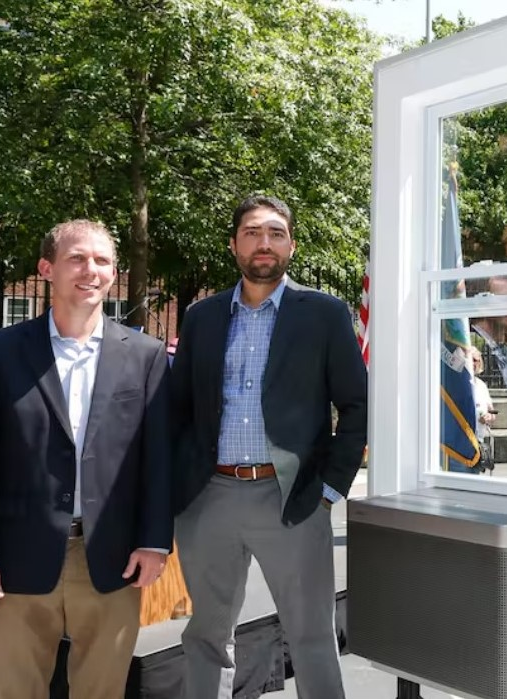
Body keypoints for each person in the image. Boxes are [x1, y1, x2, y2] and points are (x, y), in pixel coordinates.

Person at [0, 219, 172, 699]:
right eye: (77, 258)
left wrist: (154, 541)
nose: (91, 270)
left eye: (103, 260)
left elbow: (157, 459)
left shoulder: (146, 356)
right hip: (14, 562)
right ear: (46, 269)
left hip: (111, 561)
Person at [171, 195, 367, 699]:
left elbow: (356, 405)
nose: (265, 242)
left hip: (292, 499)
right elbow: (177, 407)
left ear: (291, 246)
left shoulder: (324, 314)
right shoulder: (201, 316)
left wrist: (330, 490)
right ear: (234, 244)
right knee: (206, 635)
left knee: (312, 635)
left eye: (276, 233)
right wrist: (179, 484)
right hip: (208, 498)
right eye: (253, 232)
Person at [468, 347, 496, 473]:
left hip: (478, 441)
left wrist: (489, 416)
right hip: (462, 443)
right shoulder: (459, 385)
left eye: (476, 360)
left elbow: (492, 410)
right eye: (470, 360)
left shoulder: (481, 385)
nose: (473, 363)